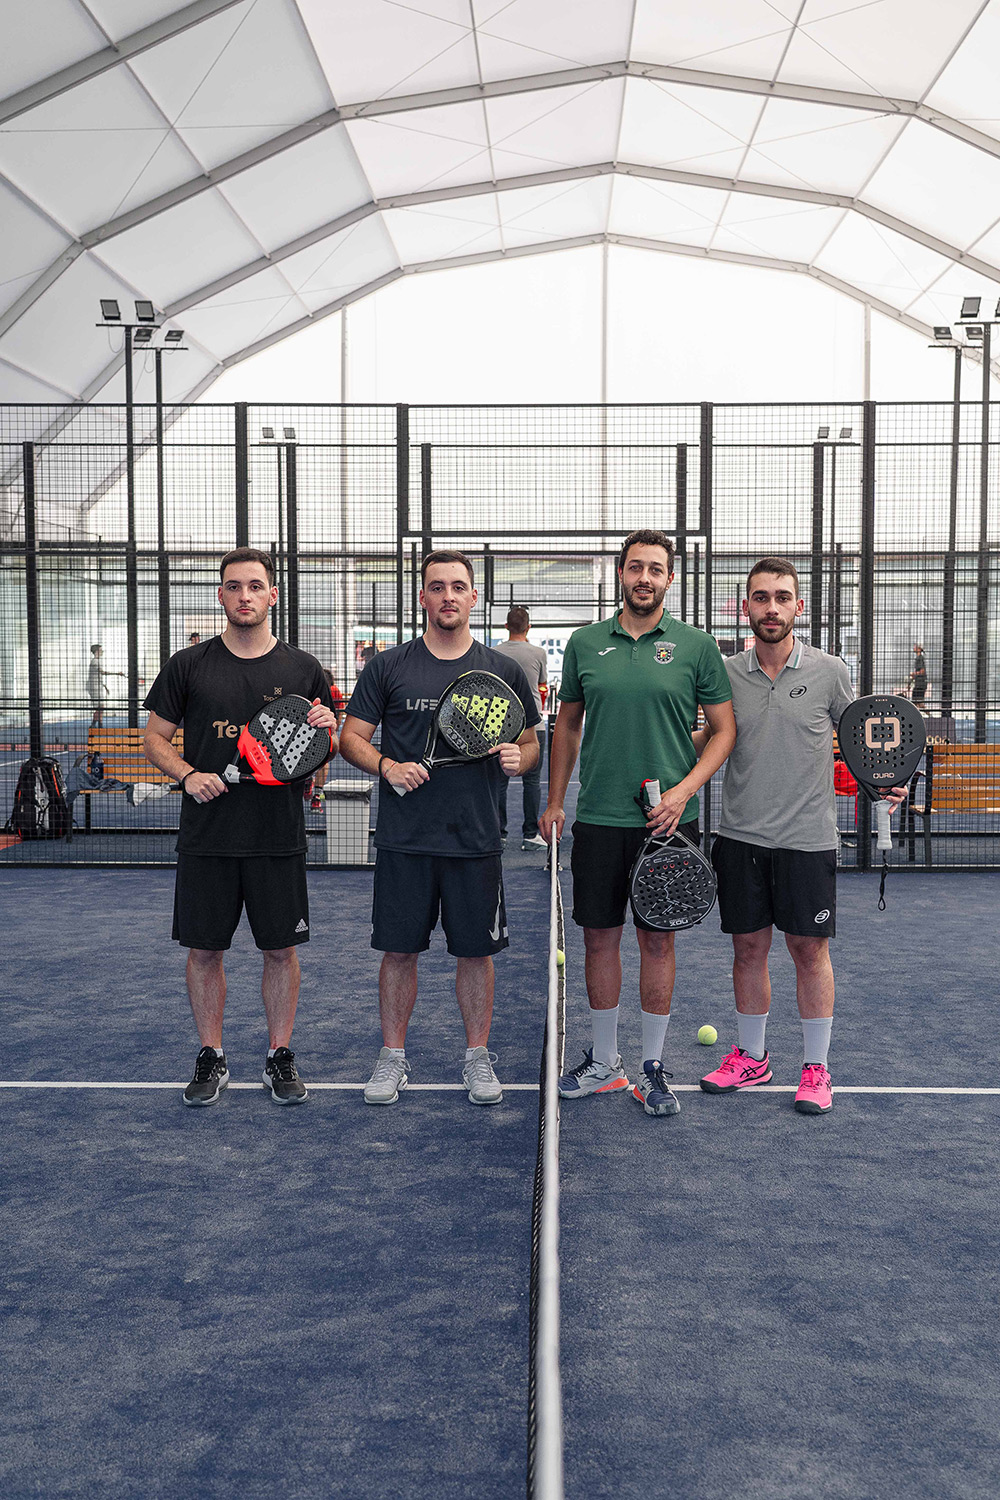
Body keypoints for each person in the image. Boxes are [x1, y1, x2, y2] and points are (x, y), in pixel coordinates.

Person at [696, 557, 906, 1116]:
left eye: (782, 597)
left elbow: (861, 738)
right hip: (740, 837)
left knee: (809, 951)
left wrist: (883, 782)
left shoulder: (830, 671)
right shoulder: (725, 673)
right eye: (761, 597)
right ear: (747, 606)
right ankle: (752, 1058)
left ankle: (816, 1068)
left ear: (798, 606)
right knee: (748, 949)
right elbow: (709, 737)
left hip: (808, 839)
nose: (772, 608)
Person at [539, 529, 736, 1119]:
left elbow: (724, 731)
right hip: (599, 818)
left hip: (668, 823)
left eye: (655, 568)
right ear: (620, 574)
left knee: (657, 940)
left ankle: (651, 1067)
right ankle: (605, 1062)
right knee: (598, 937)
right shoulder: (585, 643)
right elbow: (567, 726)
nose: (644, 577)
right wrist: (554, 801)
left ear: (670, 578)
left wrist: (682, 792)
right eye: (634, 567)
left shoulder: (697, 647)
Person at [339, 550, 539, 1107]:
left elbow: (529, 743)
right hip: (405, 841)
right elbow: (350, 738)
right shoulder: (388, 666)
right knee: (399, 952)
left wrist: (519, 758)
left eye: (457, 586)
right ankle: (392, 1058)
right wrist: (386, 765)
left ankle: (477, 1058)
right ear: (422, 596)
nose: (447, 595)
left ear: (474, 597)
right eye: (436, 586)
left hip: (476, 840)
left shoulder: (503, 671)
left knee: (475, 955)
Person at [142, 548, 338, 1108]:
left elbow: (319, 751)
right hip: (207, 838)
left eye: (255, 586)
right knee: (205, 952)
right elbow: (154, 739)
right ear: (221, 595)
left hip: (277, 838)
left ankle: (280, 1054)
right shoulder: (188, 664)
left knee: (281, 951)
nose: (244, 595)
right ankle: (212, 1055)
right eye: (234, 586)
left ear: (273, 595)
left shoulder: (304, 669)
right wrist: (187, 775)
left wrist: (327, 730)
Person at [492, 605, 548, 850]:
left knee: (498, 782)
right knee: (532, 781)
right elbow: (543, 684)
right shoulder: (538, 653)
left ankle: (498, 834)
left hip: (498, 725)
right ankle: (530, 835)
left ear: (506, 626)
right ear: (528, 628)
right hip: (532, 724)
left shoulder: (493, 653)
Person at [307, 669, 347, 810]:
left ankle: (316, 793)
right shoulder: (309, 687)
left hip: (322, 730)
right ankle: (310, 786)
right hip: (310, 730)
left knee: (323, 759)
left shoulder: (333, 691)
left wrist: (334, 728)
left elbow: (340, 710)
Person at [87, 644, 124, 729]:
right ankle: (94, 724)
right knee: (99, 707)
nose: (102, 652)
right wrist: (117, 673)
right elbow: (102, 672)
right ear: (96, 651)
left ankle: (99, 724)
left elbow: (97, 676)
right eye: (101, 650)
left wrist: (104, 686)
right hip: (95, 688)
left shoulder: (96, 661)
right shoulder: (95, 662)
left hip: (97, 687)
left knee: (100, 707)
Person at [909, 643, 928, 711]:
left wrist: (914, 674)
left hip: (920, 684)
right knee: (916, 702)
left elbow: (922, 671)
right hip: (918, 683)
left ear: (919, 649)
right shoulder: (918, 658)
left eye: (915, 647)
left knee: (918, 702)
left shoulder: (920, 658)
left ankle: (928, 715)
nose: (914, 648)